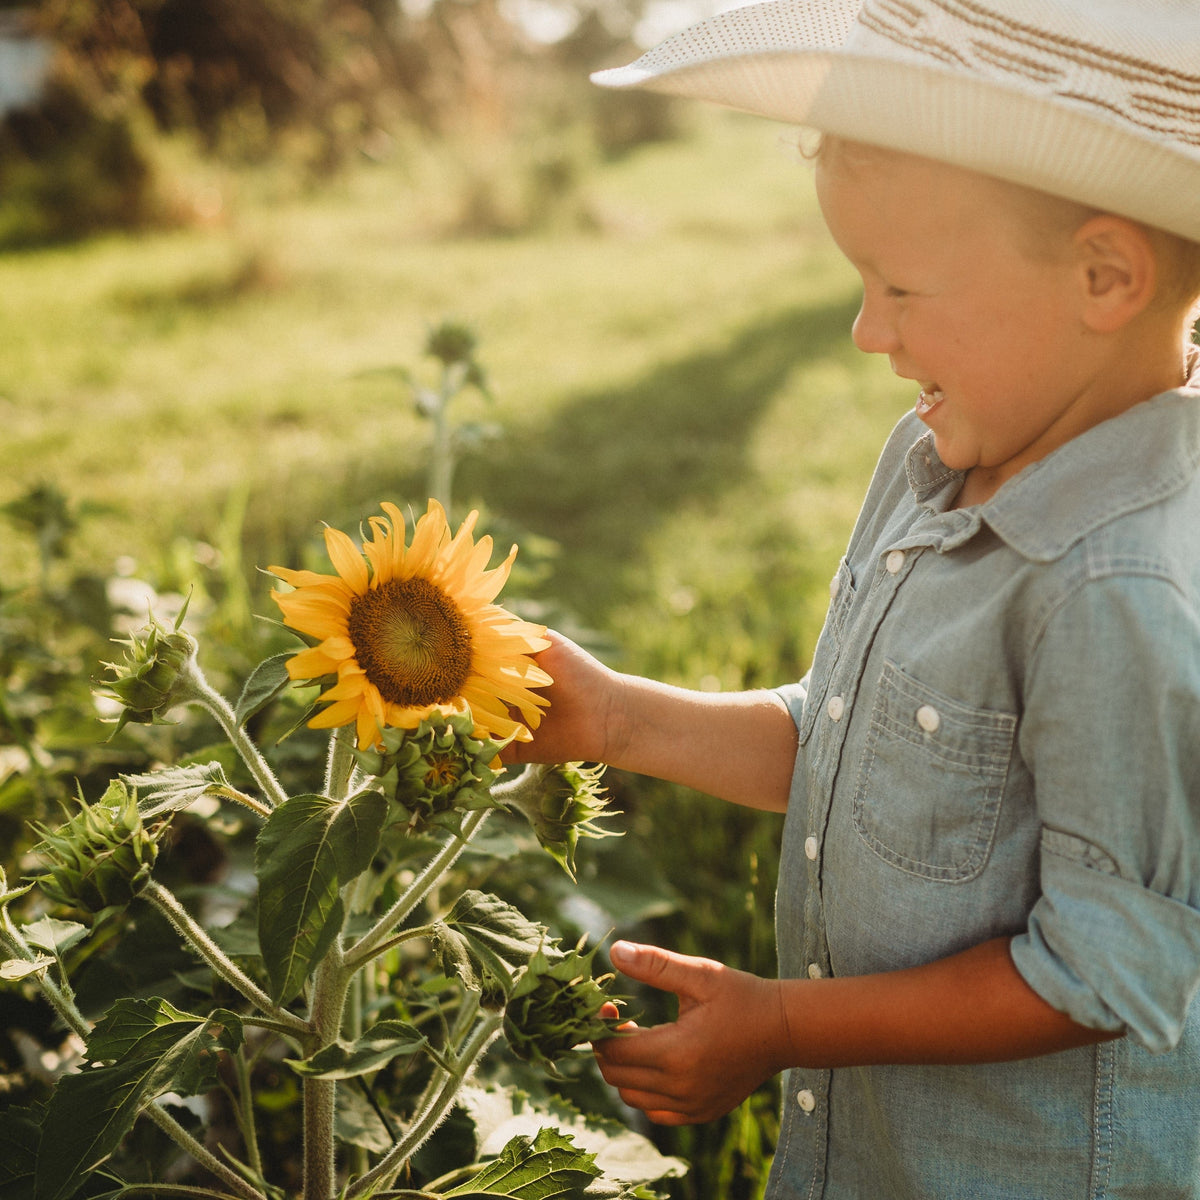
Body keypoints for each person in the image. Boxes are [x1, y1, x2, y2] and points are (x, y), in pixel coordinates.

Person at [506, 1, 1200, 1195]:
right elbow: (864, 742)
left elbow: (1105, 971)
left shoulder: (1117, 584)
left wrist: (783, 1028)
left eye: (901, 288)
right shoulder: (934, 459)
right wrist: (619, 719)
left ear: (1104, 276)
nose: (866, 330)